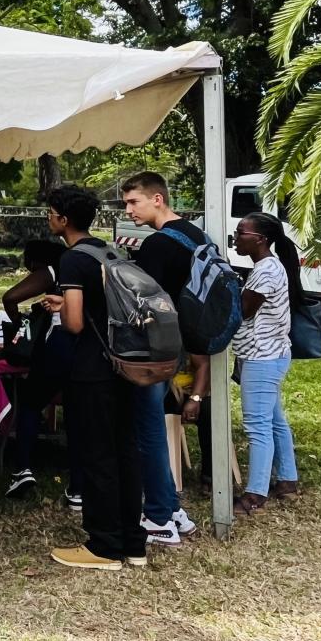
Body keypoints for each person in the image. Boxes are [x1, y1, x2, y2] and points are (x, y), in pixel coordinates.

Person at [40, 185, 146, 571]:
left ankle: (103, 546)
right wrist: (66, 301)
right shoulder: (110, 251)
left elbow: (74, 322)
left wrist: (62, 307)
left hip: (92, 369)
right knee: (125, 451)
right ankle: (133, 543)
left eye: (51, 212)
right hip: (124, 364)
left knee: (97, 455)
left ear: (63, 219)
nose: (48, 218)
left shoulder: (72, 260)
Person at [122, 172, 203, 544]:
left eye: (133, 202)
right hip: (185, 344)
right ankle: (171, 509)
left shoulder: (157, 246)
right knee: (153, 426)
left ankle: (158, 516)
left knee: (149, 431)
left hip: (157, 348)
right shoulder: (196, 235)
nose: (128, 210)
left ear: (158, 199)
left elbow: (144, 304)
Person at [1, 239, 83, 507]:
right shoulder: (87, 263)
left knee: (30, 401)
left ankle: (22, 467)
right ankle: (78, 486)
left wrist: (21, 325)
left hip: (59, 343)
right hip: (85, 346)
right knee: (76, 411)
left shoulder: (52, 270)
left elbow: (10, 297)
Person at [232, 212, 303, 514]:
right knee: (274, 420)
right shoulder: (268, 267)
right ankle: (287, 480)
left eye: (240, 233)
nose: (235, 238)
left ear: (259, 239)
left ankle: (255, 493)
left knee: (257, 426)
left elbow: (243, 311)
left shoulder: (265, 271)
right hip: (270, 354)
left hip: (263, 356)